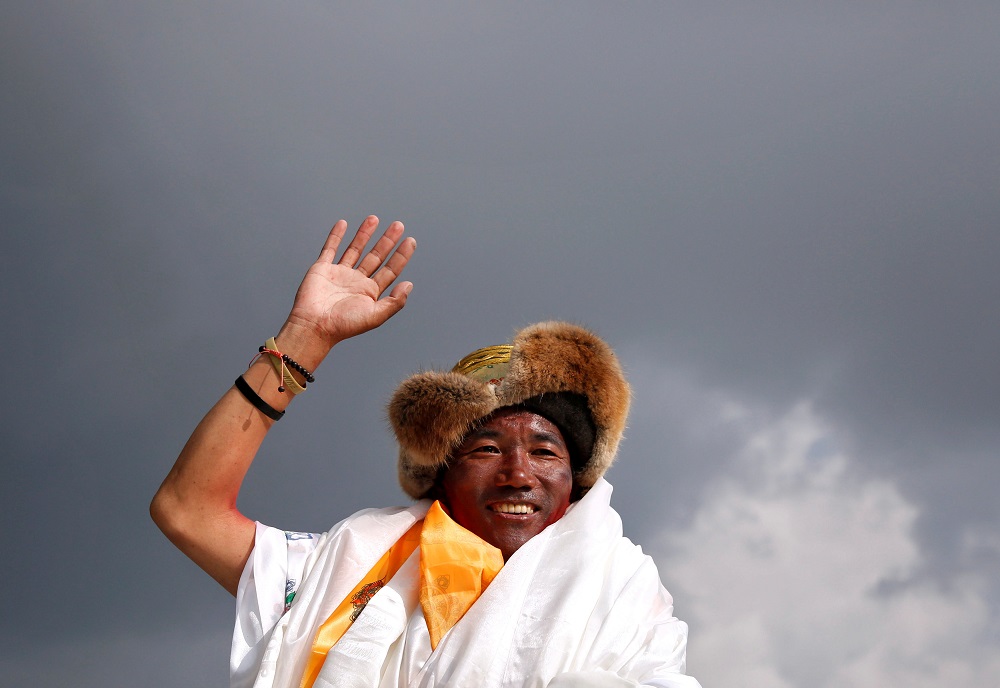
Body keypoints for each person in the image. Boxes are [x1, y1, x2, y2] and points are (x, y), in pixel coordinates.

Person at [151, 217, 702, 688]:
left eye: (544, 451)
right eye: (486, 448)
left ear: (576, 479)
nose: (518, 473)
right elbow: (186, 510)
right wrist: (305, 338)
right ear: (441, 473)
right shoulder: (348, 570)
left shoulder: (622, 590)